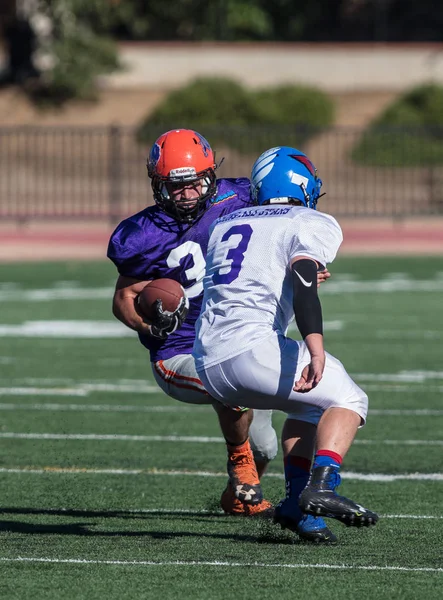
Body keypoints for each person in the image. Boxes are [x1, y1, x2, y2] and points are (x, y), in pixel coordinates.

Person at [193, 146, 379, 538]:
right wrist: (315, 348)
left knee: (312, 409)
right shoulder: (308, 219)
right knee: (349, 399)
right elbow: (305, 287)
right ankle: (323, 486)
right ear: (304, 186)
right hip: (251, 351)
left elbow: (253, 274)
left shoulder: (226, 223)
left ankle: (298, 507)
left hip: (209, 363)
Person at [107, 129, 279, 518]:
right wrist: (151, 329)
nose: (186, 193)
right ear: (157, 184)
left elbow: (284, 224)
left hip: (239, 337)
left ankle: (237, 496)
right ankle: (239, 460)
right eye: (175, 186)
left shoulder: (240, 198)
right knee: (227, 381)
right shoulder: (142, 235)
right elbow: (123, 299)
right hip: (179, 351)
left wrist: (303, 262)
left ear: (210, 175)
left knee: (266, 445)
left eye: (194, 183)